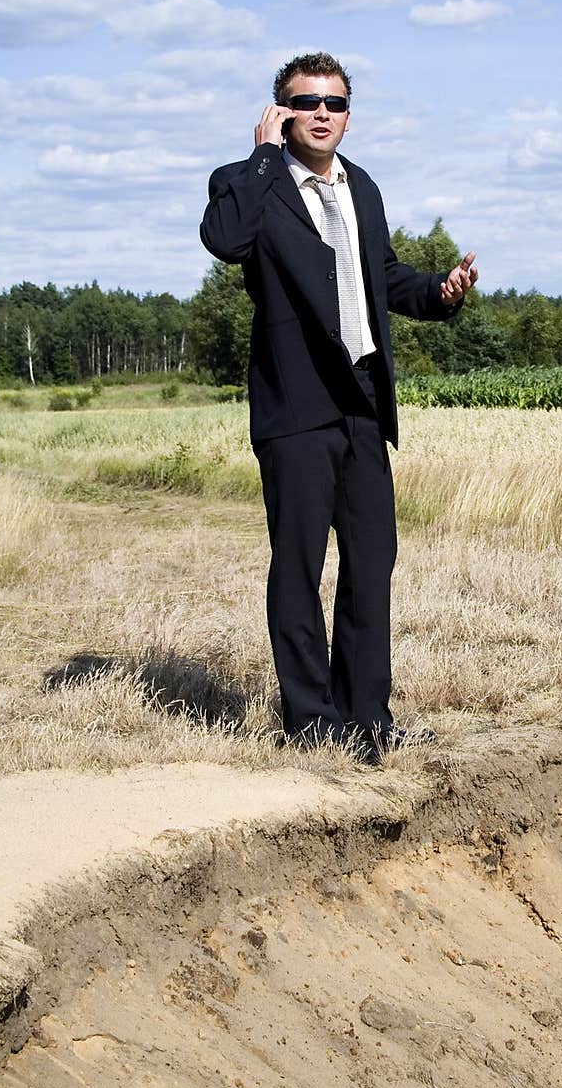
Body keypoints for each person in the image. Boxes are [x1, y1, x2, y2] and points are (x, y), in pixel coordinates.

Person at [200, 51, 478, 763]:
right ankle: (311, 720)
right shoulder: (246, 186)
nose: (323, 111)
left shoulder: (365, 189)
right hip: (295, 406)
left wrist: (438, 293)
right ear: (281, 110)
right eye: (306, 100)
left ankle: (366, 718)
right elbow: (225, 241)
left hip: (360, 400)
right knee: (298, 565)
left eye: (335, 101)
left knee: (371, 559)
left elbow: (379, 276)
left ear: (350, 113)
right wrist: (263, 158)